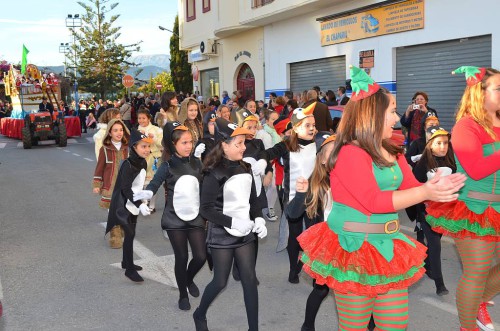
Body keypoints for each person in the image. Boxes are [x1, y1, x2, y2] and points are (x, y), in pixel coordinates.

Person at [297, 65, 465, 330]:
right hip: (354, 247)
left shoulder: (393, 150)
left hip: (387, 245)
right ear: (372, 115)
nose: (397, 118)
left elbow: (411, 187)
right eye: (391, 111)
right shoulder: (350, 152)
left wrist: (438, 187)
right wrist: (426, 191)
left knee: (395, 325)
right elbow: (373, 201)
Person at [426, 66, 500, 331]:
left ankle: (480, 300)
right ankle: (467, 326)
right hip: (476, 207)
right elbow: (478, 168)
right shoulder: (466, 126)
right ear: (479, 94)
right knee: (476, 273)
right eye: (499, 88)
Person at [193, 118, 267, 331]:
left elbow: (253, 199)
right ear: (224, 145)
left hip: (245, 234)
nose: (244, 147)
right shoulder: (213, 172)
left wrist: (259, 218)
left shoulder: (245, 166)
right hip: (221, 232)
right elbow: (205, 209)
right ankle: (199, 314)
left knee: (249, 279)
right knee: (220, 281)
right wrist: (233, 222)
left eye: (244, 142)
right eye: (239, 143)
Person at [140, 122, 207, 310]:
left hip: (195, 216)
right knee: (182, 256)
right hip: (174, 218)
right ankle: (182, 295)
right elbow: (155, 183)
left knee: (201, 256)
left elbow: (207, 183)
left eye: (190, 142)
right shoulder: (167, 165)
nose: (188, 146)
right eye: (184, 142)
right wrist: (146, 195)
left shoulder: (197, 162)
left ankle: (188, 278)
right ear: (173, 145)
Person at [285, 132, 336, 331]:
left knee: (356, 287)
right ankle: (307, 325)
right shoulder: (314, 183)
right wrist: (299, 195)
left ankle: (370, 323)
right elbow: (293, 214)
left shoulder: (350, 179)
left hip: (351, 241)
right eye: (331, 152)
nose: (336, 157)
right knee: (321, 289)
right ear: (321, 158)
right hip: (326, 244)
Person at [264, 102, 319, 283]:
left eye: (313, 125)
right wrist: (261, 164)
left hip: (314, 199)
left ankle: (307, 268)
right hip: (293, 199)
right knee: (294, 237)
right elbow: (268, 153)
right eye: (307, 125)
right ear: (296, 128)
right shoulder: (287, 145)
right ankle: (292, 269)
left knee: (312, 238)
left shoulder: (319, 144)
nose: (312, 129)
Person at [412, 127, 456, 296]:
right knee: (436, 246)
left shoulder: (450, 161)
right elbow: (414, 187)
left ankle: (427, 265)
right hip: (426, 211)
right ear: (430, 145)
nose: (443, 146)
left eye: (445, 143)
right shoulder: (423, 164)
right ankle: (440, 284)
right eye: (438, 143)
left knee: (434, 243)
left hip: (444, 211)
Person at [105, 129, 153, 283]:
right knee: (130, 234)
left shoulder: (142, 162)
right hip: (123, 205)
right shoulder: (128, 164)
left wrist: (143, 198)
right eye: (143, 147)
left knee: (131, 233)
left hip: (133, 204)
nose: (147, 150)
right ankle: (129, 270)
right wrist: (139, 203)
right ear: (134, 147)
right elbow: (125, 189)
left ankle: (126, 262)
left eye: (148, 147)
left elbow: (138, 185)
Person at [93, 119, 130, 248]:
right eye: (115, 130)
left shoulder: (127, 149)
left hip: (125, 186)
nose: (119, 133)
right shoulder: (105, 149)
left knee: (124, 210)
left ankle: (122, 228)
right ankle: (115, 237)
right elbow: (100, 168)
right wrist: (97, 184)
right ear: (109, 133)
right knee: (113, 212)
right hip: (110, 187)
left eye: (121, 130)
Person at [136, 106, 163, 213]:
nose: (141, 120)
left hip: (153, 159)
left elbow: (162, 144)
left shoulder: (156, 130)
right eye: (139, 118)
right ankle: (143, 202)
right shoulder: (136, 130)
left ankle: (151, 205)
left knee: (152, 183)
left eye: (143, 118)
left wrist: (154, 138)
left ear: (149, 119)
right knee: (140, 182)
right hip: (140, 160)